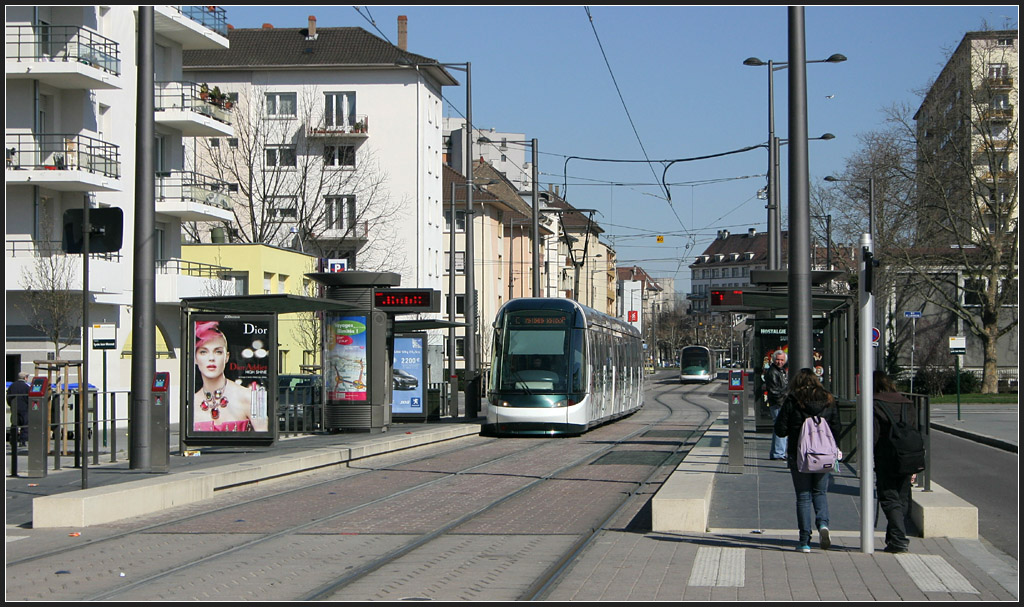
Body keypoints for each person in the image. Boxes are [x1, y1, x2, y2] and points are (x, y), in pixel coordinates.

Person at [774, 368, 841, 552]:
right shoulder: (828, 399)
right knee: (820, 493)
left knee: (803, 496)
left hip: (800, 455)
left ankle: (804, 541)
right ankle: (823, 525)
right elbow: (836, 427)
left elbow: (780, 429)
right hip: (824, 455)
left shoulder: (793, 400)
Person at [873, 370, 918, 554]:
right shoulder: (907, 403)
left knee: (889, 497)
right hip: (908, 455)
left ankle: (899, 540)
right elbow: (915, 429)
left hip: (886, 456)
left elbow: (873, 435)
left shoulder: (875, 404)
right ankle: (893, 539)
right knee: (902, 496)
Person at [193, 321, 267, 432]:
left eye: (218, 352)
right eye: (203, 352)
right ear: (195, 358)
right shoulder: (192, 403)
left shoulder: (249, 397)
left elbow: (265, 438)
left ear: (227, 356)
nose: (211, 358)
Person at [764, 349, 789, 460]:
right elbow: (774, 391)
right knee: (781, 426)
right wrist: (784, 398)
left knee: (778, 427)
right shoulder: (773, 372)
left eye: (782, 360)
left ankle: (777, 452)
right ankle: (779, 453)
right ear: (774, 360)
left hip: (779, 402)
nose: (780, 362)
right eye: (778, 360)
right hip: (778, 403)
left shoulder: (780, 371)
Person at [7, 372, 31, 446]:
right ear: (25, 378)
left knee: (14, 424)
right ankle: (22, 441)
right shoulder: (27, 387)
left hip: (14, 408)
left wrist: (11, 405)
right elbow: (29, 398)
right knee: (25, 424)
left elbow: (8, 397)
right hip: (24, 408)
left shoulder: (12, 386)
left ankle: (13, 440)